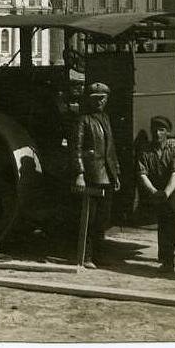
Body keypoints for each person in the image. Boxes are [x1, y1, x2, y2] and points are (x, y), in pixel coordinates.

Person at [70, 82, 121, 269]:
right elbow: (76, 149)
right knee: (89, 218)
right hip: (92, 175)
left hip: (106, 175)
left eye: (102, 99)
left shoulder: (105, 118)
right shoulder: (83, 120)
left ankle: (99, 255)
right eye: (96, 99)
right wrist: (80, 173)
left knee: (102, 219)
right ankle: (87, 256)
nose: (99, 102)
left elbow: (110, 149)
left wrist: (115, 174)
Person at [137, 115, 175, 273]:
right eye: (155, 130)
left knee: (167, 214)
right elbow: (142, 173)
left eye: (161, 130)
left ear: (168, 132)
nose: (157, 133)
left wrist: (166, 193)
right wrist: (154, 192)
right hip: (155, 189)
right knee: (165, 221)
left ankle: (168, 259)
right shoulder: (146, 151)